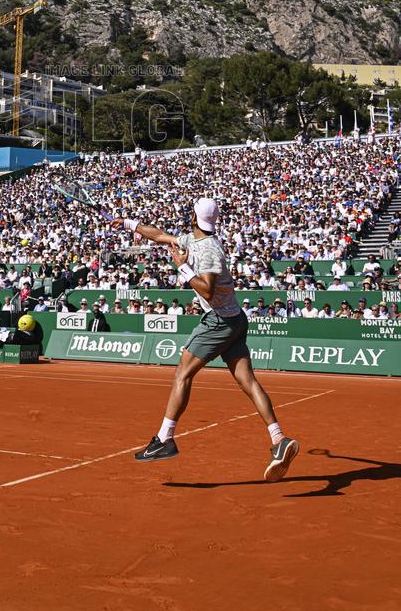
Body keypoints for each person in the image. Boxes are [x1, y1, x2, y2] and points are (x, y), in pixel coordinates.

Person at [112, 197, 298, 481]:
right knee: (248, 382)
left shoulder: (209, 250)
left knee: (182, 374)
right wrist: (128, 224)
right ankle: (279, 439)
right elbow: (160, 236)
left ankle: (164, 439)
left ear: (193, 217)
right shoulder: (194, 238)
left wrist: (183, 269)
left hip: (219, 321)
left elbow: (208, 291)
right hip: (234, 318)